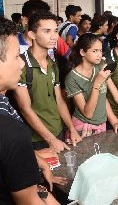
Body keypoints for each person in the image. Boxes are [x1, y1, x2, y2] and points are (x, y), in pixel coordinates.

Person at [0, 17, 64, 205]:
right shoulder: (10, 131)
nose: (20, 64)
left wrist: (34, 159)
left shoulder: (4, 105)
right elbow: (29, 201)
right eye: (14, 57)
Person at [13, 11, 81, 152]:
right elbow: (25, 108)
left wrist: (71, 128)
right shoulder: (21, 64)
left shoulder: (53, 64)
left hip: (58, 131)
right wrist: (51, 139)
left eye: (56, 31)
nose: (54, 36)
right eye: (47, 31)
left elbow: (59, 101)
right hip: (36, 138)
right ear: (32, 34)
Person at [65, 33, 118, 139]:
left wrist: (115, 122)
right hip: (83, 128)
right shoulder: (72, 78)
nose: (99, 54)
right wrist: (97, 84)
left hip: (101, 125)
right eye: (94, 51)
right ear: (82, 52)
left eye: (100, 50)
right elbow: (88, 113)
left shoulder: (100, 66)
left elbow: (104, 98)